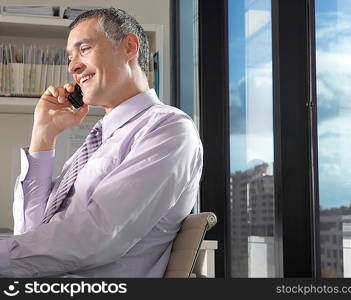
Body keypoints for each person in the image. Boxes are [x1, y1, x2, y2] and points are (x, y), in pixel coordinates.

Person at [0, 8, 203, 277]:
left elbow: (97, 236)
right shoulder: (97, 144)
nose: (72, 66)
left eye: (84, 49)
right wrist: (43, 137)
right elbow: (30, 231)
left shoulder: (168, 128)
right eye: (70, 58)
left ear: (129, 47)